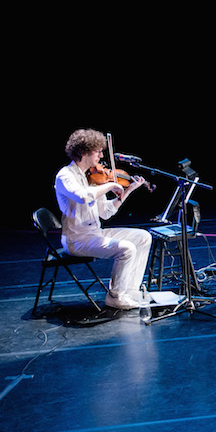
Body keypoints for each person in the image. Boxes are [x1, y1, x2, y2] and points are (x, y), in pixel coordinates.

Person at [54, 128, 152, 310]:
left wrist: (128, 190)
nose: (101, 156)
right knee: (127, 249)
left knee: (143, 237)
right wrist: (110, 185)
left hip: (95, 233)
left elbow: (106, 212)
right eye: (97, 151)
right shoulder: (65, 176)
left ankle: (129, 291)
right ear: (84, 151)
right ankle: (115, 297)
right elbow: (82, 196)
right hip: (77, 240)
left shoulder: (92, 178)